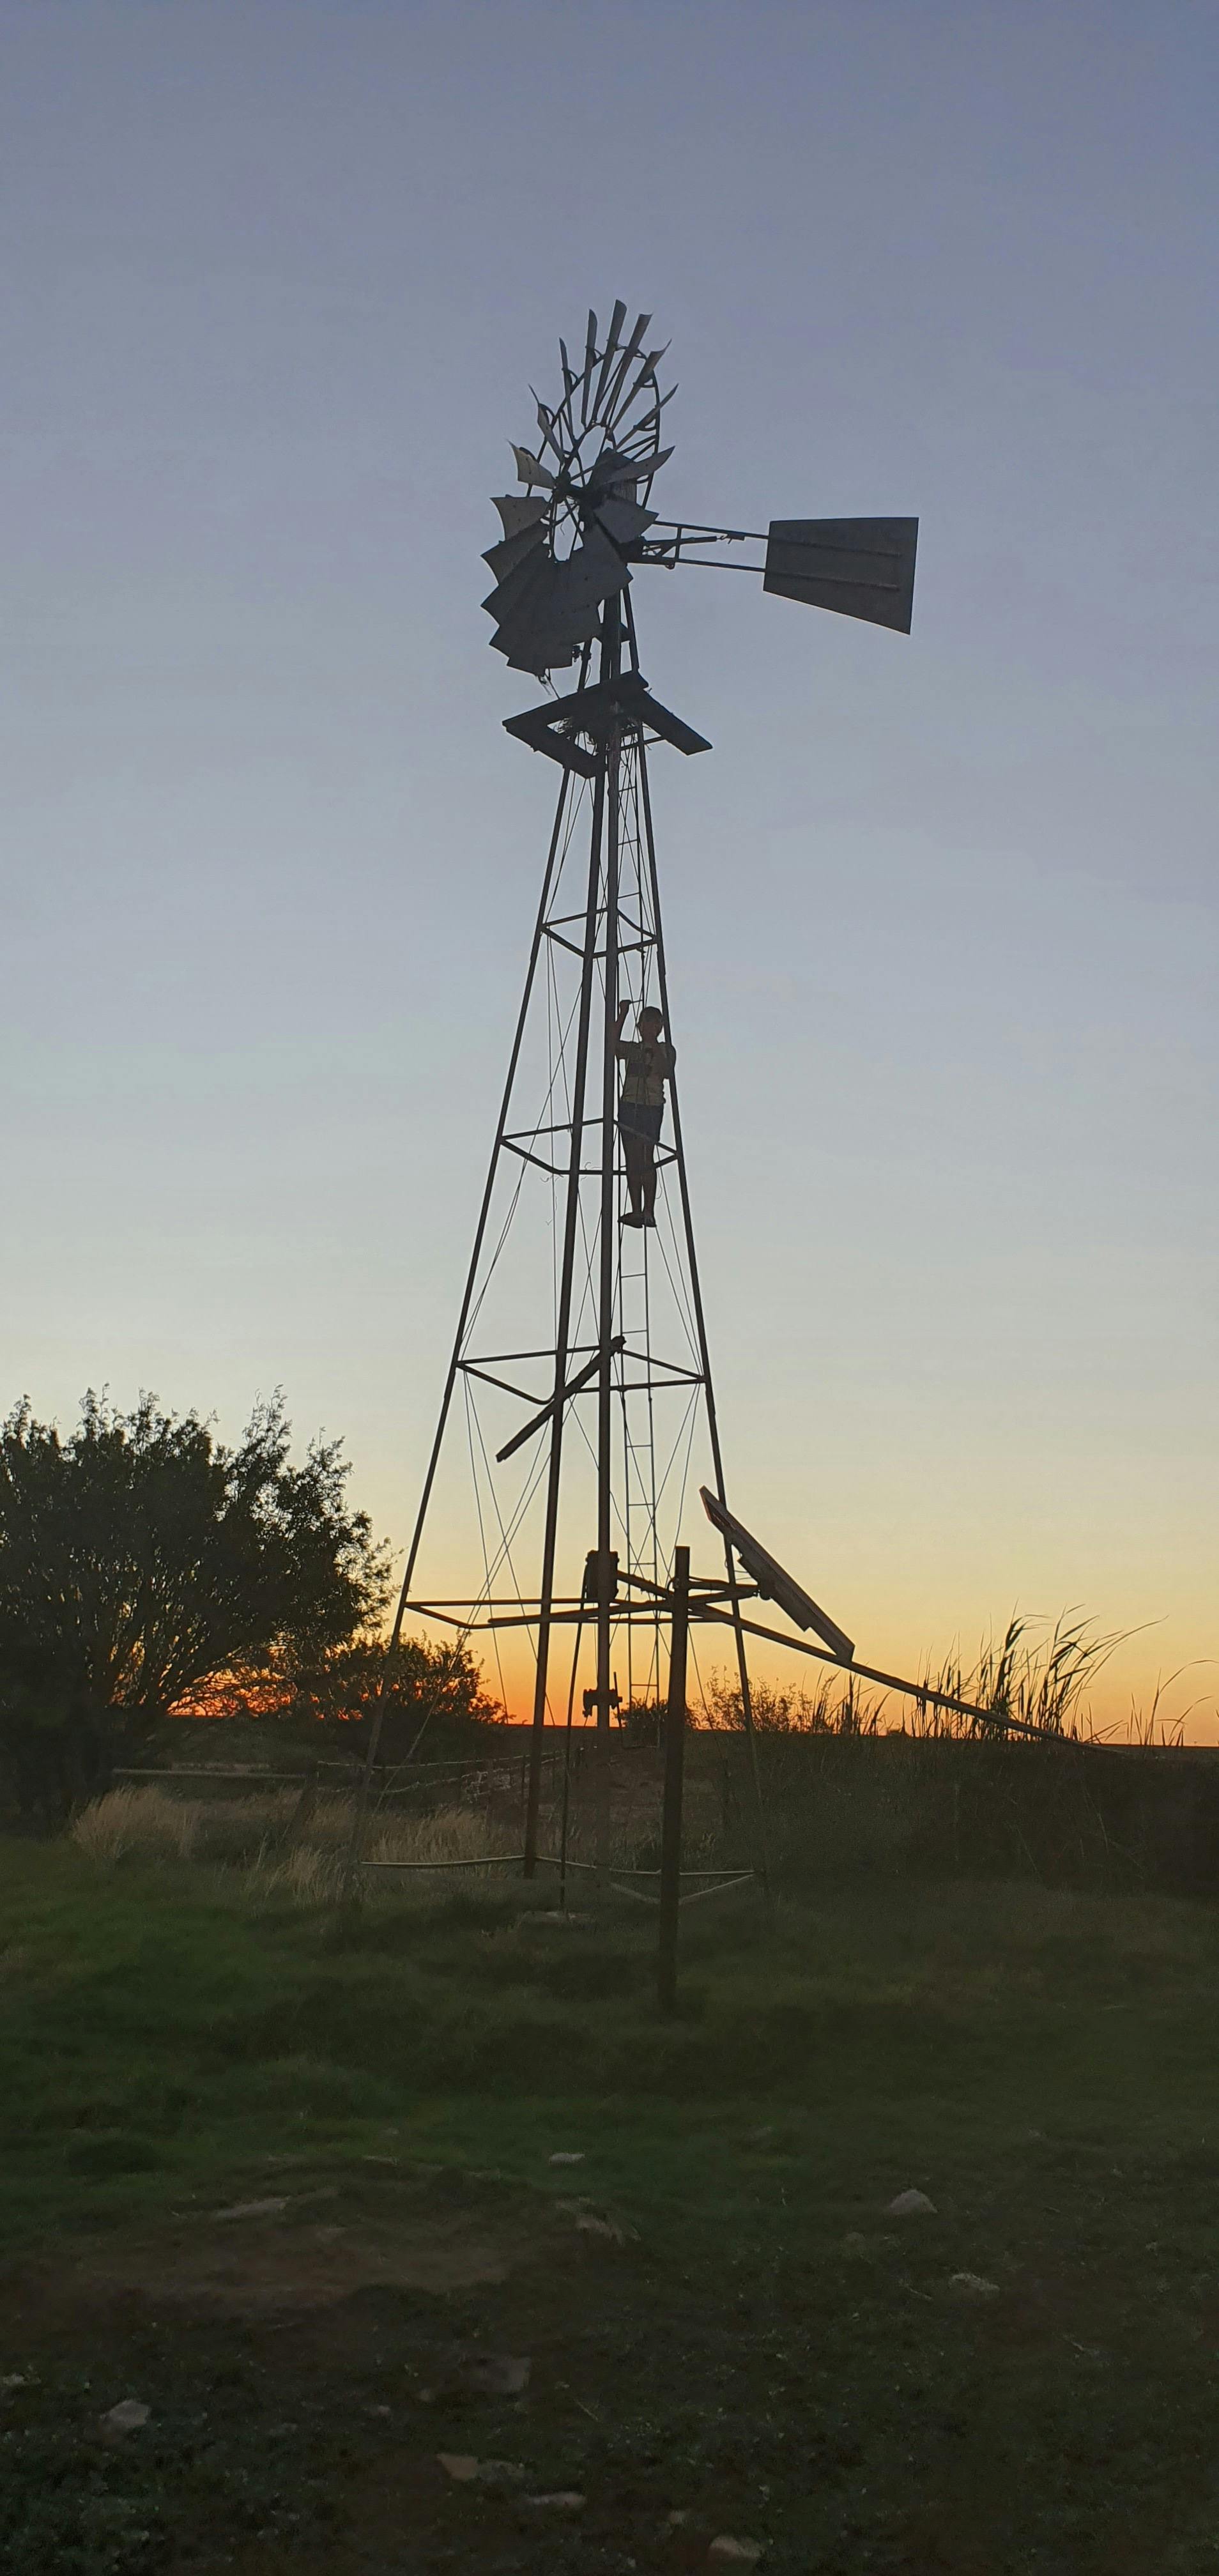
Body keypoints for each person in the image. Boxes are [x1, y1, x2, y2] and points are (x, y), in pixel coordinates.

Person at [615, 998, 675, 1228]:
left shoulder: (665, 1049)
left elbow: (666, 1071)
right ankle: (637, 1210)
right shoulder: (632, 1049)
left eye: (654, 1025)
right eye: (645, 1024)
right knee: (632, 1158)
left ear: (659, 1027)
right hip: (629, 1105)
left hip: (651, 1106)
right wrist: (622, 1014)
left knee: (646, 1156)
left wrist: (653, 1043)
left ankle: (649, 1210)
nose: (648, 1028)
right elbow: (611, 1045)